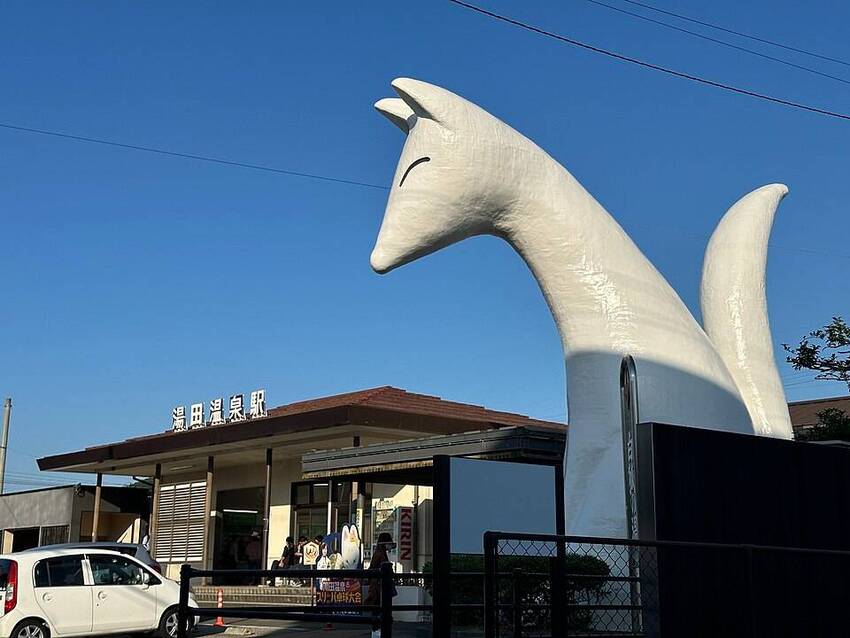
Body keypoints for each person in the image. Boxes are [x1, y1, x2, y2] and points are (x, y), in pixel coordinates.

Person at [364, 532, 397, 637]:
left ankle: (376, 631)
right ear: (384, 544)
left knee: (378, 608)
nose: (389, 546)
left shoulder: (379, 553)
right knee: (378, 608)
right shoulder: (380, 554)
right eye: (388, 543)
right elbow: (373, 568)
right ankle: (376, 631)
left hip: (378, 586)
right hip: (378, 587)